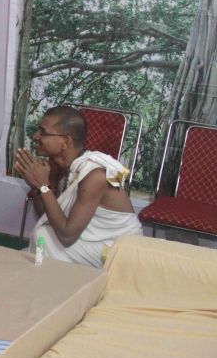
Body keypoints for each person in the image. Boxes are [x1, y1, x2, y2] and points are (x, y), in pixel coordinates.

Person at [14, 105, 142, 267]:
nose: (35, 136)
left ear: (66, 141)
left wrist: (43, 186)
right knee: (43, 235)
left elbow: (67, 236)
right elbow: (47, 218)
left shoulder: (95, 176)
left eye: (43, 132)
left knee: (43, 238)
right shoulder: (61, 167)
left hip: (118, 248)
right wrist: (37, 187)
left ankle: (49, 277)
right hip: (88, 238)